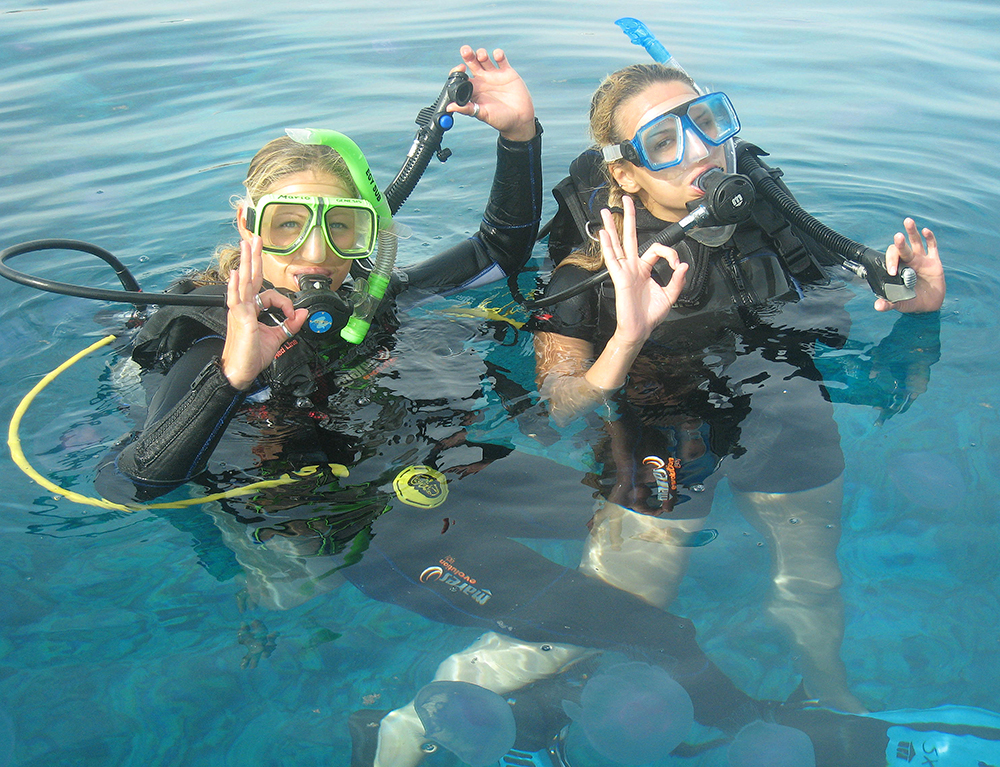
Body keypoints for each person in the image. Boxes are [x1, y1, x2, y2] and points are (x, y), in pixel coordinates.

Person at [530, 62, 945, 714]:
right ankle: (429, 714)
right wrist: (625, 340)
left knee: (812, 580)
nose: (701, 149)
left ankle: (833, 703)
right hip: (659, 421)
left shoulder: (773, 227)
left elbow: (854, 301)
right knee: (615, 608)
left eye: (707, 122)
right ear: (626, 173)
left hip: (784, 400)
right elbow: (560, 402)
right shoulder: (586, 275)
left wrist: (918, 309)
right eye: (664, 141)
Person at [94, 45, 541, 508]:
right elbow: (133, 484)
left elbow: (497, 253)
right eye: (288, 224)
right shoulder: (212, 336)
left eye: (340, 226)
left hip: (387, 472)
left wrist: (519, 134)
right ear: (250, 226)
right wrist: (231, 377)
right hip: (281, 510)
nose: (316, 252)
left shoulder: (365, 300)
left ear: (370, 235)